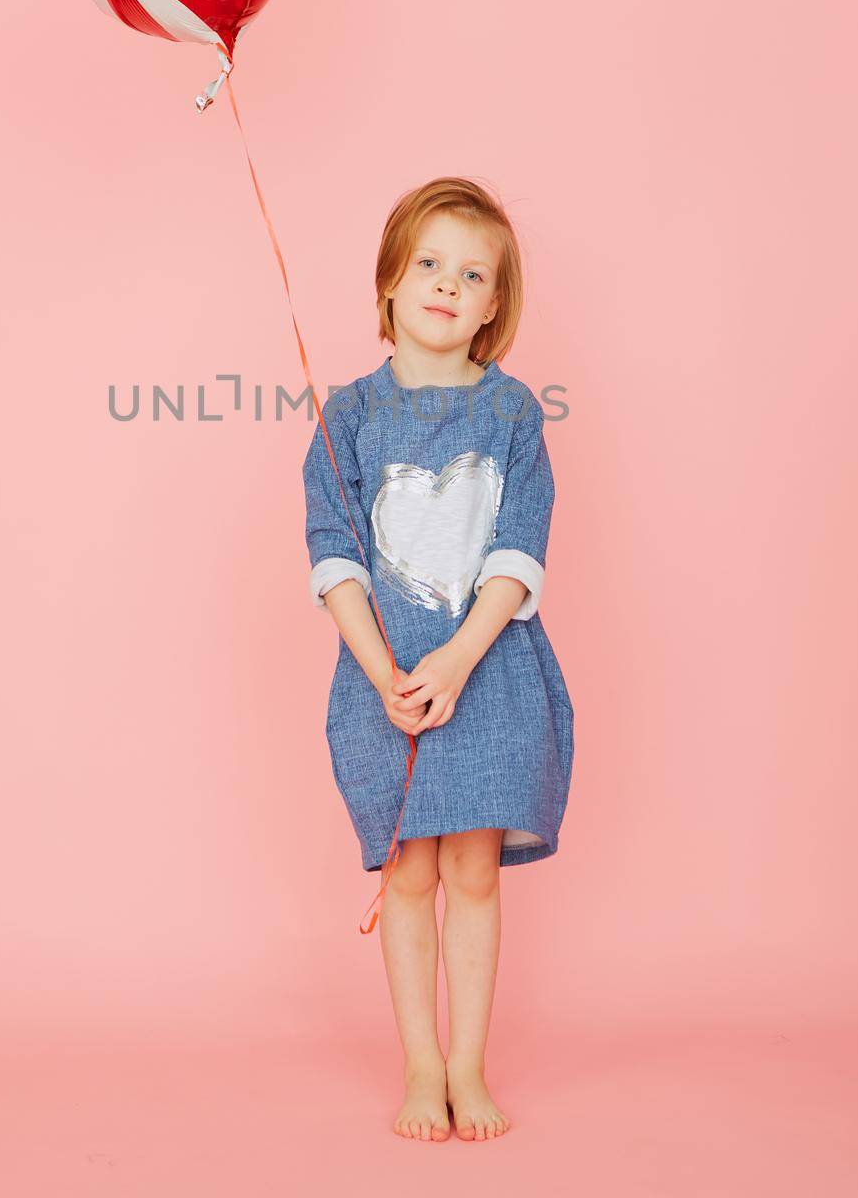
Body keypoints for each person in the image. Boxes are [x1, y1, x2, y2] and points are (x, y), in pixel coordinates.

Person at [302, 177, 574, 1142]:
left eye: (472, 274)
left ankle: (468, 1067)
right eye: (427, 264)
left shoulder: (511, 415)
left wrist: (459, 658)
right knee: (407, 876)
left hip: (488, 674)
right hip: (385, 678)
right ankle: (421, 1064)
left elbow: (516, 549)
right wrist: (384, 673)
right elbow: (332, 553)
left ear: (494, 305)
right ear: (388, 283)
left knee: (472, 874)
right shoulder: (348, 415)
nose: (447, 286)